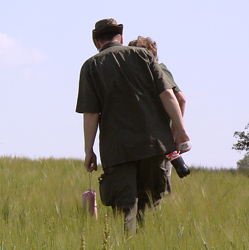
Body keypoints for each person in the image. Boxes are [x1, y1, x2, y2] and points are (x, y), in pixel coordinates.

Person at [76, 19, 191, 232]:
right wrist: (181, 131)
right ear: (120, 37)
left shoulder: (91, 66)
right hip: (154, 146)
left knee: (124, 211)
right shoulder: (144, 56)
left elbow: (91, 112)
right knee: (151, 209)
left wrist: (88, 150)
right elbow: (168, 94)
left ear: (96, 42)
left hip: (118, 150)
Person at [129, 35, 188, 194]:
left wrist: (175, 131)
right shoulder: (160, 70)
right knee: (158, 189)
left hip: (141, 139)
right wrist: (174, 131)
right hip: (161, 139)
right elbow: (181, 99)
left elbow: (180, 99)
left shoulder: (157, 70)